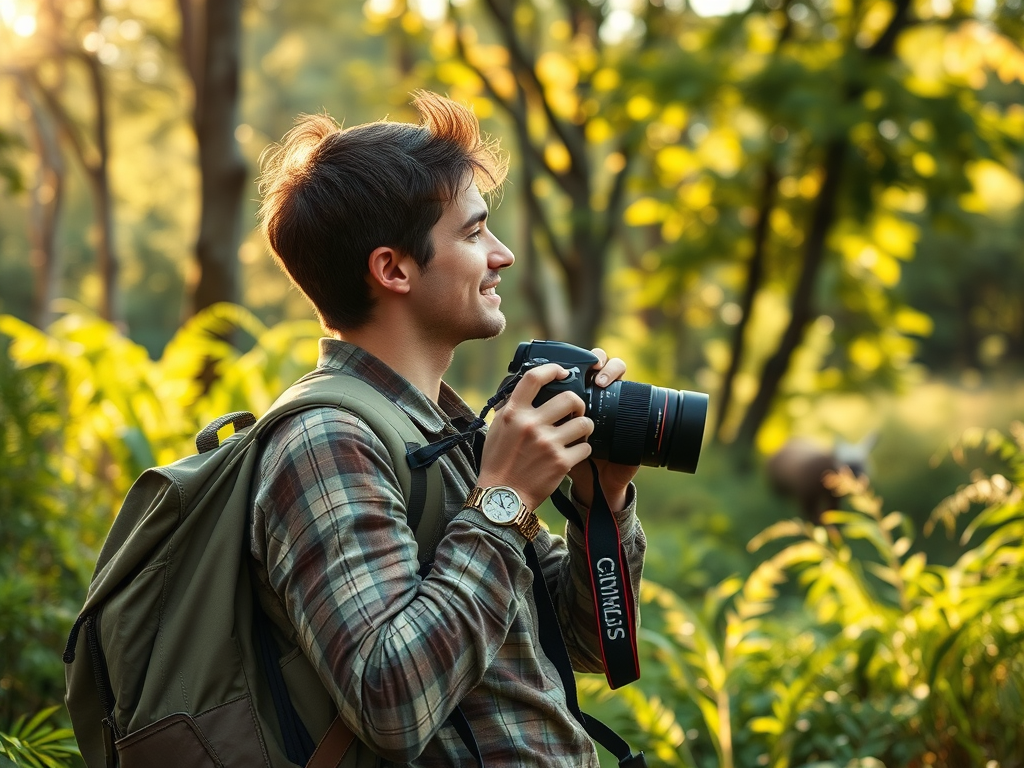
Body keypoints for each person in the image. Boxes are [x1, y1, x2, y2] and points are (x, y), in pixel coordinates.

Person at [252, 90, 646, 767]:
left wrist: (599, 499)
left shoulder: (446, 432)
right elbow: (391, 700)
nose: (503, 254)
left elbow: (579, 641)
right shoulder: (325, 442)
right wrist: (503, 500)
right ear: (393, 269)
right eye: (473, 233)